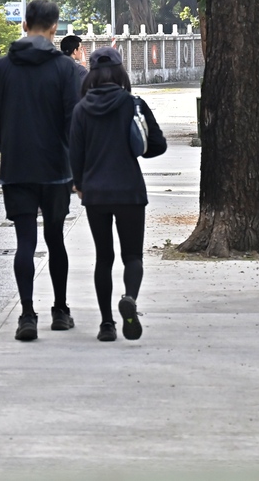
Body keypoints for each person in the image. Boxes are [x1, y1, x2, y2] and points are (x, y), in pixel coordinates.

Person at [0, 0, 83, 342]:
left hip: (16, 167)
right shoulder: (66, 69)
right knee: (55, 239)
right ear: (55, 28)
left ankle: (27, 315)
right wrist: (74, 165)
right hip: (55, 168)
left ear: (24, 25)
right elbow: (72, 120)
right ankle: (60, 310)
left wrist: (9, 149)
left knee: (24, 241)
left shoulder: (1, 68)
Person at [69, 46, 167, 342]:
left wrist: (80, 185)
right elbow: (157, 145)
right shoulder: (133, 104)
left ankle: (106, 325)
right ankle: (130, 298)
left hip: (95, 193)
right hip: (130, 191)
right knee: (132, 255)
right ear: (121, 72)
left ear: (92, 75)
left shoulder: (81, 109)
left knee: (104, 257)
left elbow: (75, 155)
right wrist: (136, 148)